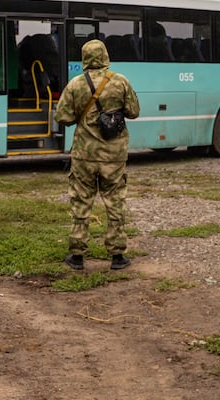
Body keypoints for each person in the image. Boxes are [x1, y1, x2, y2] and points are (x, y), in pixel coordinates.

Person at [55, 39, 140, 271]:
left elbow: (62, 117)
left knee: (81, 201)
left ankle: (77, 255)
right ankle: (117, 256)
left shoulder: (75, 84)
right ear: (105, 56)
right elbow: (134, 111)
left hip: (84, 154)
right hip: (114, 156)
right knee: (115, 202)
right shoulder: (120, 82)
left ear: (84, 58)